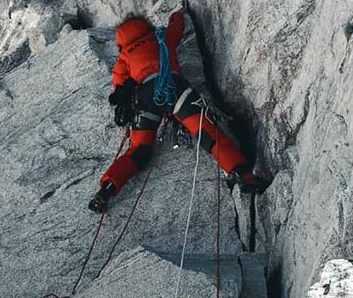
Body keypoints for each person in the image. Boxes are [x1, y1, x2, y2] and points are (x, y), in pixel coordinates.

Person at [89, 11, 269, 212]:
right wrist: (177, 13)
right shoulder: (159, 37)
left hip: (146, 98)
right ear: (144, 26)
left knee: (138, 151)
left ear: (121, 40)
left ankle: (108, 188)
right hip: (173, 87)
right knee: (205, 130)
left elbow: (119, 86)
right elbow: (178, 27)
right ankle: (241, 173)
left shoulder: (124, 57)